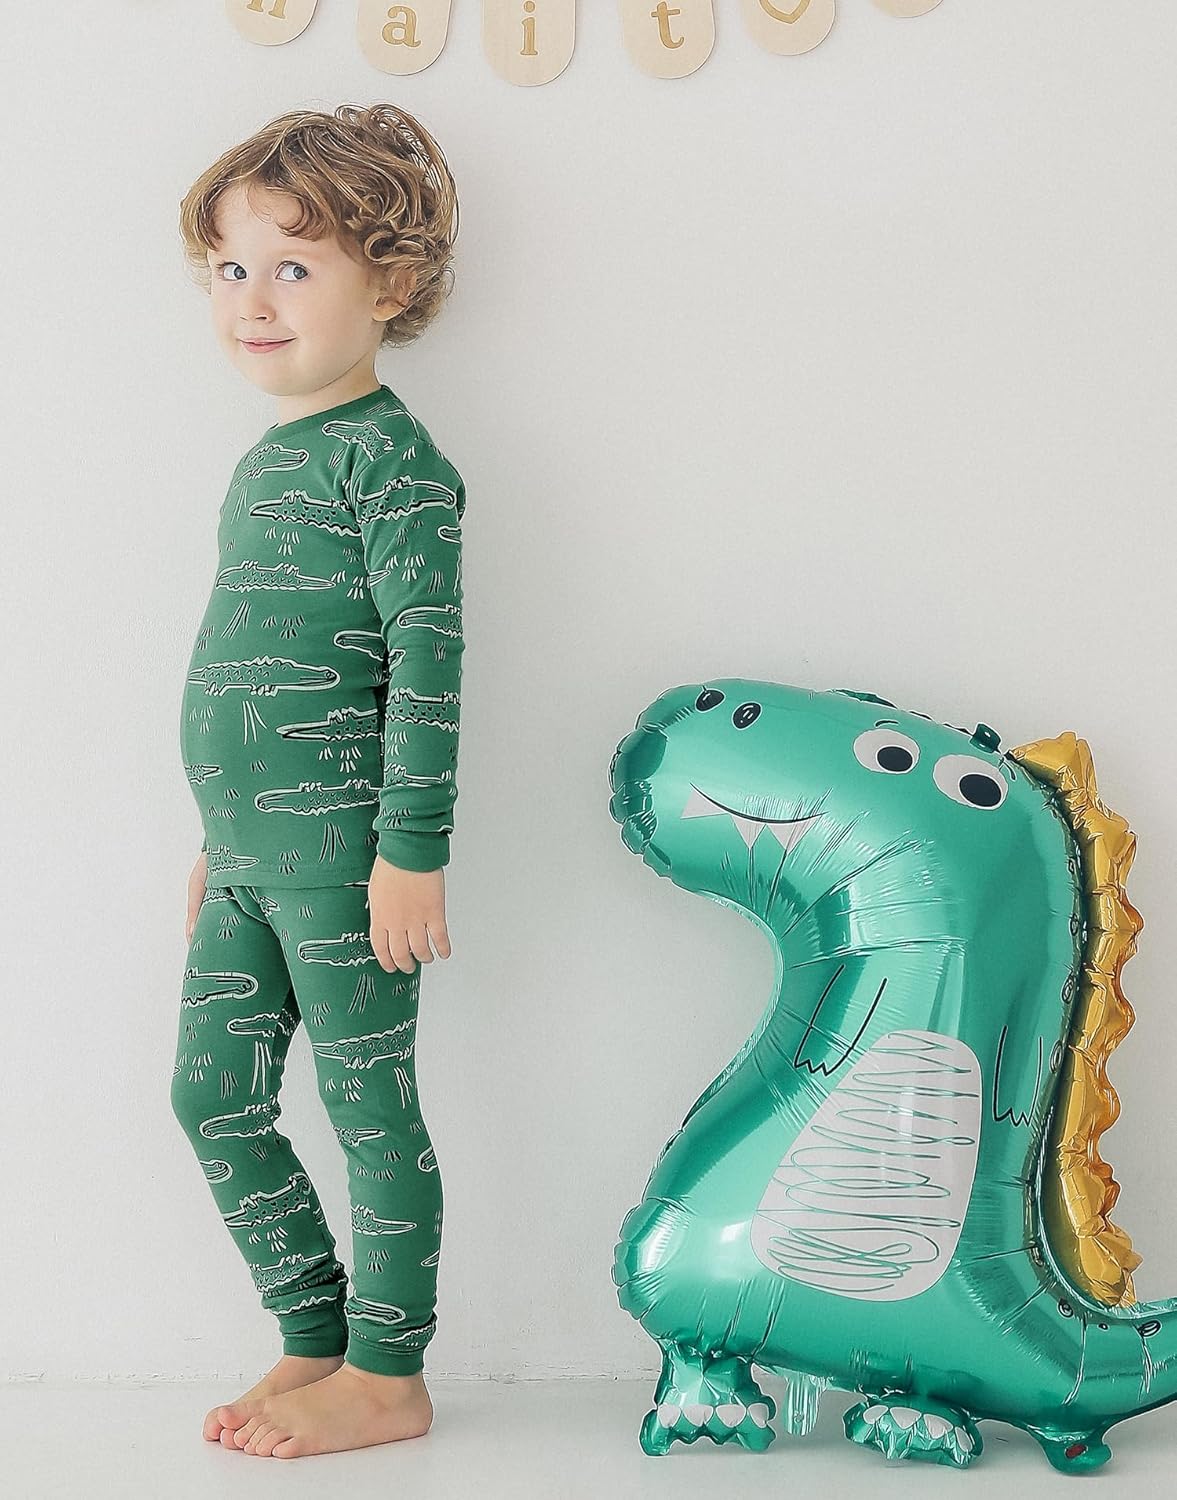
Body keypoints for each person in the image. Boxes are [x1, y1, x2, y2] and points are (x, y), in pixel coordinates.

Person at [170, 102, 465, 1460]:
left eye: (293, 266)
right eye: (231, 267)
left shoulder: (394, 464)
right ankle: (316, 1331)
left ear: (388, 286)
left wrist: (413, 852)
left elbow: (427, 664)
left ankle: (390, 1377)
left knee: (367, 1108)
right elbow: (254, 665)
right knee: (211, 1098)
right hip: (246, 859)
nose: (253, 299)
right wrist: (216, 835)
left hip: (347, 865)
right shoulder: (267, 457)